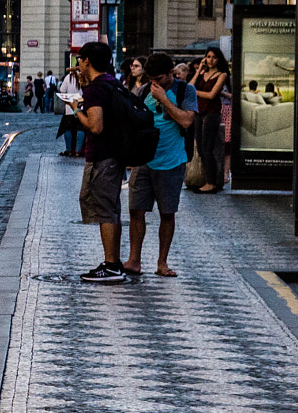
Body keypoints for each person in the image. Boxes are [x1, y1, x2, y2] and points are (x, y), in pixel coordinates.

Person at [125, 52, 196, 278]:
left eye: (159, 78)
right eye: (151, 78)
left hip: (172, 160)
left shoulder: (185, 90)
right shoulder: (144, 90)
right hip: (144, 159)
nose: (154, 83)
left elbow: (186, 120)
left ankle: (162, 262)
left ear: (171, 73)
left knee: (167, 212)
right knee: (136, 210)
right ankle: (134, 260)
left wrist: (165, 99)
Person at [73, 40, 131, 284]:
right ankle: (114, 262)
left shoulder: (96, 89)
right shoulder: (111, 82)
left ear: (87, 61)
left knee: (106, 211)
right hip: (114, 155)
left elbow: (95, 126)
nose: (77, 64)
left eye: (79, 59)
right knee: (111, 210)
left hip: (102, 157)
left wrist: (76, 109)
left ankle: (111, 266)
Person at [191, 46, 229, 192]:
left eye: (214, 57)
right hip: (199, 112)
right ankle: (206, 180)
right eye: (208, 56)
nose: (210, 60)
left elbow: (212, 95)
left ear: (218, 59)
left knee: (208, 148)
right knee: (200, 148)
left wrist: (195, 92)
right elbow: (190, 86)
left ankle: (211, 182)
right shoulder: (202, 73)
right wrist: (198, 70)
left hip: (211, 113)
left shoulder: (222, 75)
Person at [57, 65, 83, 156]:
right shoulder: (84, 76)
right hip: (81, 105)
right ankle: (78, 150)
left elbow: (62, 89)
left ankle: (68, 149)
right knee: (81, 128)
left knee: (68, 128)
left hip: (70, 106)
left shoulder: (69, 77)